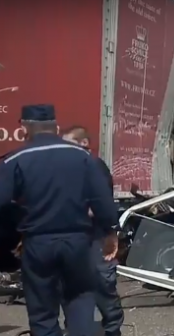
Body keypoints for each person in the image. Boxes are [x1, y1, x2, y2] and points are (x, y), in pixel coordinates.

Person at [0, 105, 118, 336]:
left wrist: (14, 234)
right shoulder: (83, 157)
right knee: (81, 301)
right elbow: (102, 199)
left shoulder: (15, 160)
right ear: (55, 127)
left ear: (25, 128)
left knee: (43, 312)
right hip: (77, 242)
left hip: (37, 244)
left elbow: (2, 203)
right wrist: (111, 232)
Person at [62, 126, 124, 336]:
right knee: (71, 288)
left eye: (67, 144)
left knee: (102, 286)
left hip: (95, 236)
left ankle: (112, 330)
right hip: (74, 237)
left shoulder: (95, 167)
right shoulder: (67, 169)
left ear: (84, 144)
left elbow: (100, 205)